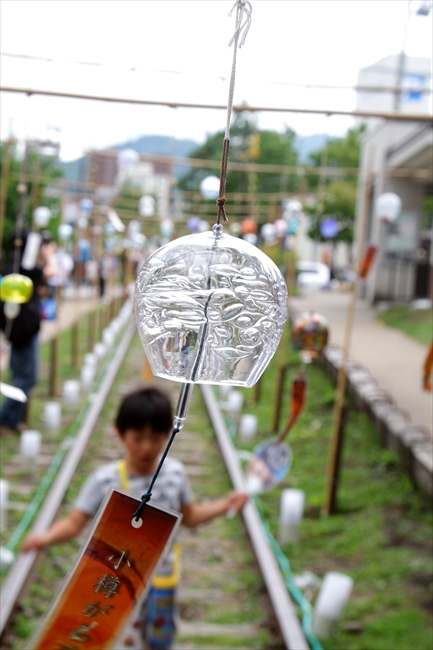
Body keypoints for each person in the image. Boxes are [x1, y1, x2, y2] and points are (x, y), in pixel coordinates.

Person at [22, 386, 248, 649]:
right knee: (116, 637)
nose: (147, 446)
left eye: (156, 437)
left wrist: (225, 505)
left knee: (159, 639)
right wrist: (45, 538)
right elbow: (75, 522)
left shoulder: (175, 474)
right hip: (115, 583)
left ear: (168, 435)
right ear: (120, 433)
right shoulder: (105, 479)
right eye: (138, 438)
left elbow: (190, 516)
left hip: (161, 578)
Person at [0, 229, 52, 434]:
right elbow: (52, 271)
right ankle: (6, 419)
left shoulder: (12, 265)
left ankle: (12, 419)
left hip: (15, 329)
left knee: (18, 374)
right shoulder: (26, 266)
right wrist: (48, 255)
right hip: (24, 330)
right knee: (27, 377)